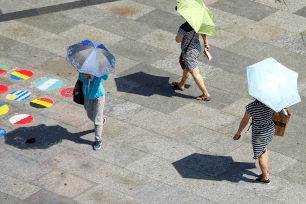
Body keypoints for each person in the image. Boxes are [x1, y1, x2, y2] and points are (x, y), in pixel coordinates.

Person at [172, 6, 210, 101]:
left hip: (189, 53)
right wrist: (206, 43)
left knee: (195, 73)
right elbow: (203, 33)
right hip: (196, 48)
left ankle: (205, 93)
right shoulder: (198, 23)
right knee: (187, 67)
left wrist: (180, 35)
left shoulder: (184, 27)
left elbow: (178, 40)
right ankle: (181, 84)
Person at [233, 99, 275, 183]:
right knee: (263, 148)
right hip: (270, 129)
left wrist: (238, 133)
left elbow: (245, 121)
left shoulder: (251, 107)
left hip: (259, 133)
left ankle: (265, 177)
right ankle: (265, 170)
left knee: (261, 155)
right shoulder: (272, 103)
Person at [79, 73, 108, 150]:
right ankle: (102, 121)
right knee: (89, 114)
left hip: (99, 95)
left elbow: (105, 77)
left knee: (97, 119)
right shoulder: (84, 67)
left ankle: (98, 140)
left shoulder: (100, 67)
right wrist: (84, 76)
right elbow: (81, 78)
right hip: (87, 94)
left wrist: (99, 73)